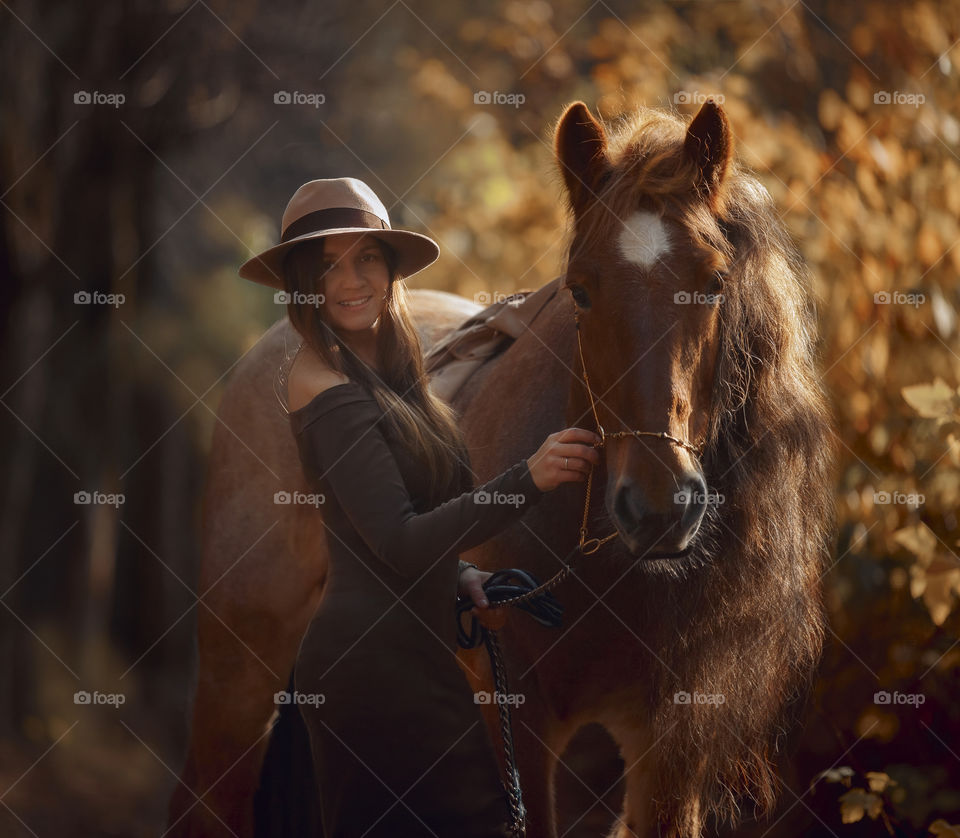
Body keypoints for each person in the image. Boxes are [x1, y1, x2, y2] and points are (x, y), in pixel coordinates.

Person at [238, 177, 600, 837]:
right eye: (327, 266)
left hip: (420, 662)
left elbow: (390, 530)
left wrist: (462, 577)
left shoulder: (396, 378)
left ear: (390, 269)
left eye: (367, 258)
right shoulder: (322, 384)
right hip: (370, 674)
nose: (351, 280)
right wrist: (531, 478)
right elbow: (399, 541)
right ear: (302, 285)